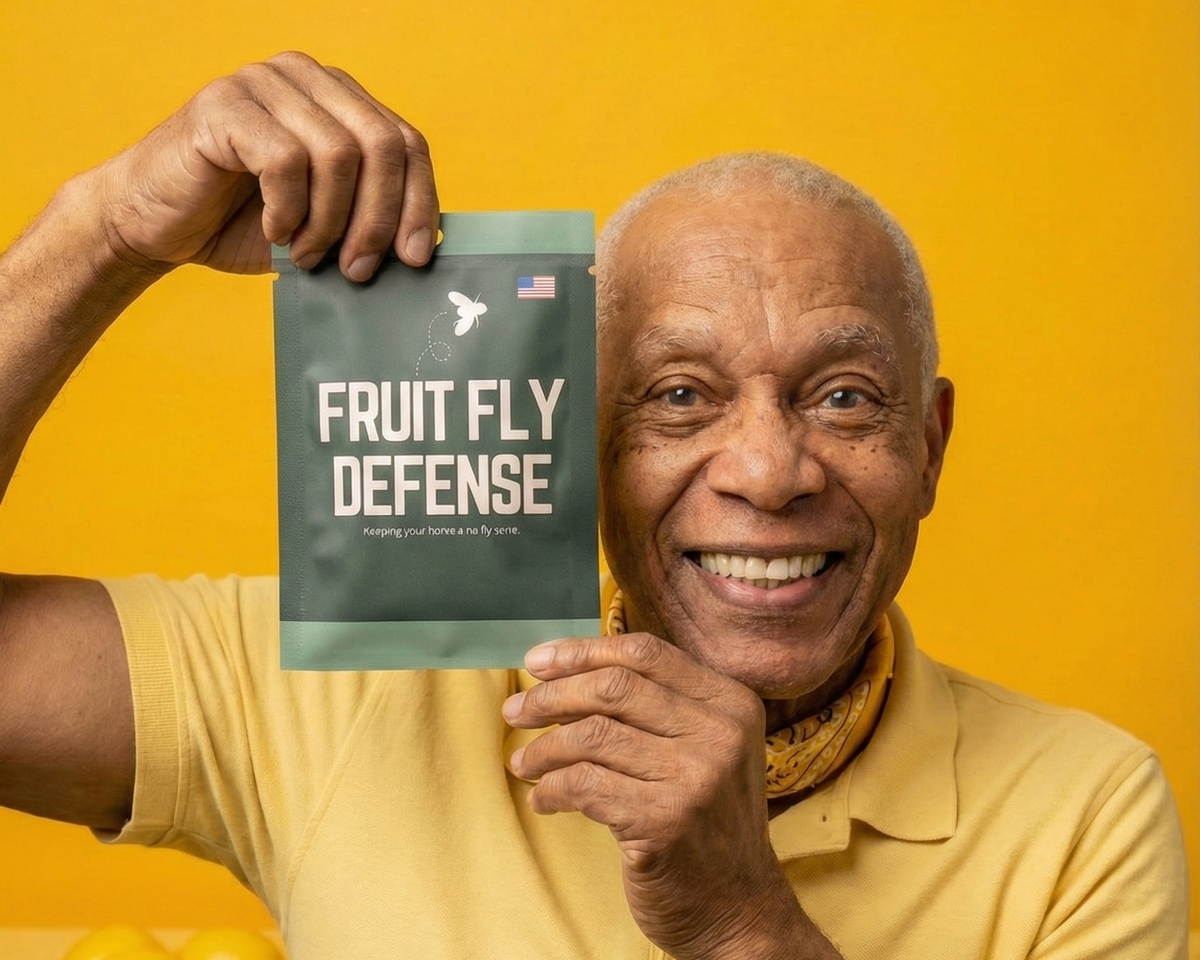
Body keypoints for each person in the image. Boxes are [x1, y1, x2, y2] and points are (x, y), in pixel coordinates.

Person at [0, 52, 1187, 960]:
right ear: (576, 440)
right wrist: (102, 231)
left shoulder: (1086, 815)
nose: (769, 472)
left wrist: (740, 923)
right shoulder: (354, 686)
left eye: (843, 397)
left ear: (927, 449)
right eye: (679, 396)